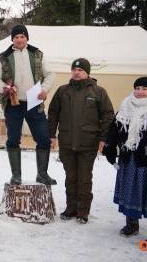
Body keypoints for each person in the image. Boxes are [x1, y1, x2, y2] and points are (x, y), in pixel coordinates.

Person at [103, 77, 147, 248]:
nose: (140, 92)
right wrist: (110, 147)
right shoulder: (125, 106)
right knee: (131, 192)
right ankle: (132, 225)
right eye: (137, 88)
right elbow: (115, 129)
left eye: (144, 89)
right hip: (131, 160)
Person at [48, 58, 114, 224]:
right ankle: (71, 208)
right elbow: (53, 113)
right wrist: (51, 135)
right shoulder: (63, 91)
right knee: (70, 177)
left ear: (87, 73)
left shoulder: (98, 92)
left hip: (88, 142)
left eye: (80, 70)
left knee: (84, 178)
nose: (76, 72)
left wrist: (103, 138)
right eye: (74, 70)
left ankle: (83, 211)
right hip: (67, 141)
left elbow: (107, 116)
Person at [0, 24, 56, 185]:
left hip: (34, 101)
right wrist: (4, 88)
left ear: (27, 38)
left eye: (22, 37)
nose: (19, 39)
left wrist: (45, 89)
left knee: (43, 138)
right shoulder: (3, 57)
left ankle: (42, 174)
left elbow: (50, 74)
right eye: (16, 37)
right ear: (12, 39)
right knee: (13, 139)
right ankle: (16, 175)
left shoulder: (37, 54)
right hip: (13, 103)